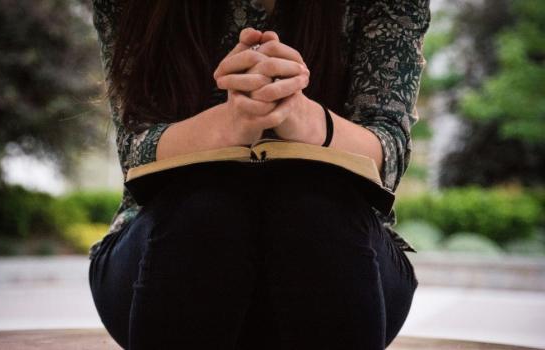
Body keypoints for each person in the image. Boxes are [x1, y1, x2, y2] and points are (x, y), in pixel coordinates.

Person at [88, 0, 431, 348]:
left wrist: (302, 116)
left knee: (315, 211)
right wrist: (229, 123)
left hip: (341, 256)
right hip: (167, 255)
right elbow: (133, 149)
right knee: (206, 211)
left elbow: (389, 153)